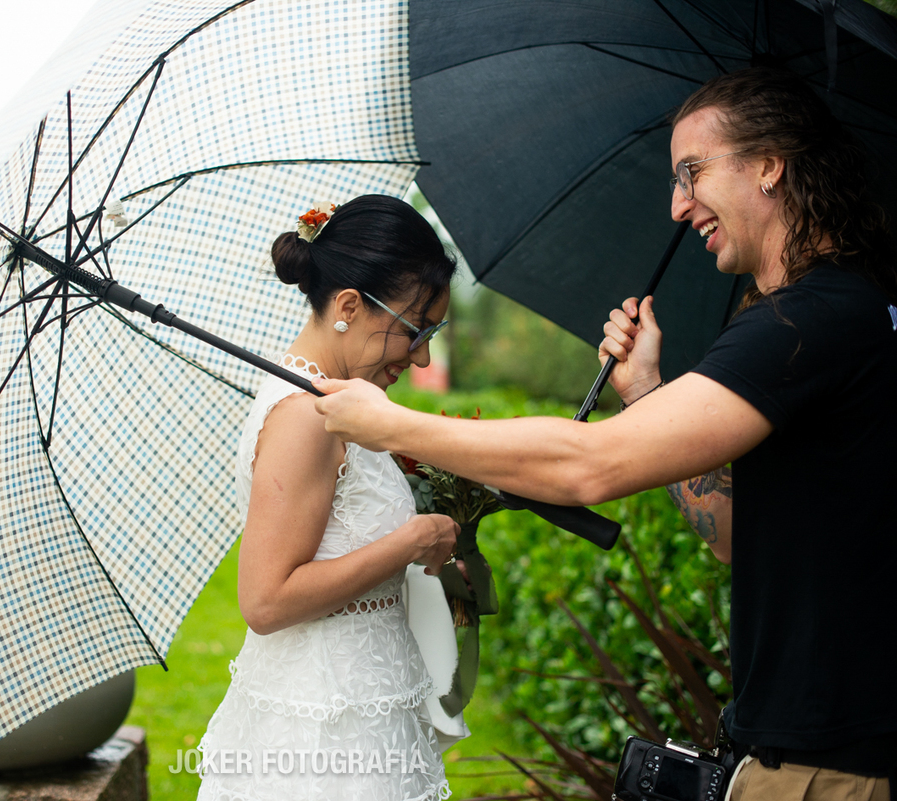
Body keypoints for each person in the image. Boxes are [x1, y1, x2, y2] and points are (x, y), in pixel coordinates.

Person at [313, 67, 896, 800]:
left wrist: (393, 423)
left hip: (830, 765)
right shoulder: (832, 312)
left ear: (771, 165)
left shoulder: (808, 320)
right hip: (795, 745)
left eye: (692, 172)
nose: (679, 205)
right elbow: (732, 533)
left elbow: (590, 466)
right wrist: (648, 393)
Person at [196, 194, 461, 801]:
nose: (421, 356)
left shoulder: (345, 403)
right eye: (415, 330)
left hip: (362, 707)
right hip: (325, 733)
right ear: (348, 306)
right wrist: (411, 541)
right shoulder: (304, 417)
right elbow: (265, 601)